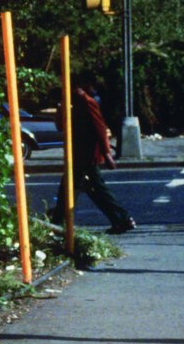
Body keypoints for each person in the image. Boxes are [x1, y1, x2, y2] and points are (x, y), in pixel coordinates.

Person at [47, 85, 137, 233]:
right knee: (89, 189)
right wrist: (61, 108)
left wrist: (107, 153)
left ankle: (123, 219)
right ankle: (121, 219)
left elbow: (99, 127)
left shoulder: (86, 102)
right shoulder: (71, 104)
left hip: (87, 155)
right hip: (78, 154)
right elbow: (60, 126)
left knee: (89, 188)